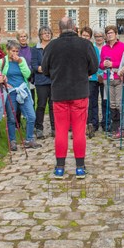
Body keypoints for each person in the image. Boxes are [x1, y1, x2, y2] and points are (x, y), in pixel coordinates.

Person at [41, 16, 99, 179]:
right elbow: (94, 67)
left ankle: (60, 167)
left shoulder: (52, 46)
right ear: (74, 28)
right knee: (79, 130)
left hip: (59, 93)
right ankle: (80, 167)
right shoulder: (85, 44)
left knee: (61, 130)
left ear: (59, 29)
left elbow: (45, 69)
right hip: (79, 91)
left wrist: (56, 75)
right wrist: (82, 73)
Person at [0, 40, 42, 150]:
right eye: (13, 51)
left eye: (17, 51)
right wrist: (3, 83)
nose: (15, 53)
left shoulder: (21, 60)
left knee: (31, 116)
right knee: (12, 118)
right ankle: (12, 141)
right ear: (7, 51)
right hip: (10, 92)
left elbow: (27, 74)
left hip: (23, 90)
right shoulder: (2, 62)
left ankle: (29, 139)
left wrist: (20, 62)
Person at [99, 25, 124, 138]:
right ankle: (115, 127)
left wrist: (113, 64)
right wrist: (104, 64)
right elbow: (100, 64)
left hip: (119, 77)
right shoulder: (105, 48)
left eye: (111, 33)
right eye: (107, 33)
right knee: (112, 103)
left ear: (116, 34)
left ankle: (122, 127)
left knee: (120, 103)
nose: (109, 35)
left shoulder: (123, 46)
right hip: (108, 78)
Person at [31, 26, 54, 139]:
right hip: (41, 82)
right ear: (40, 36)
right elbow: (35, 66)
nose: (47, 35)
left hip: (53, 81)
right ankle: (39, 127)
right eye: (45, 33)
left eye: (49, 33)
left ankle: (55, 128)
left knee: (53, 105)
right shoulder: (35, 49)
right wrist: (47, 69)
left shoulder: (54, 47)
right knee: (41, 105)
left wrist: (45, 69)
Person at [81, 26, 101, 137]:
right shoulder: (77, 48)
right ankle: (82, 124)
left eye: (87, 36)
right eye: (83, 35)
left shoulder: (94, 48)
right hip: (80, 79)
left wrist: (89, 73)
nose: (85, 38)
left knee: (92, 102)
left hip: (91, 79)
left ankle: (93, 123)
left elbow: (96, 63)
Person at [93, 28, 107, 131]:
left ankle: (105, 122)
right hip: (93, 77)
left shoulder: (106, 47)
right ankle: (94, 123)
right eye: (96, 36)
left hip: (105, 77)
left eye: (100, 36)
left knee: (105, 100)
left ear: (104, 37)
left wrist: (102, 74)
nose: (98, 38)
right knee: (93, 101)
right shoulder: (91, 47)